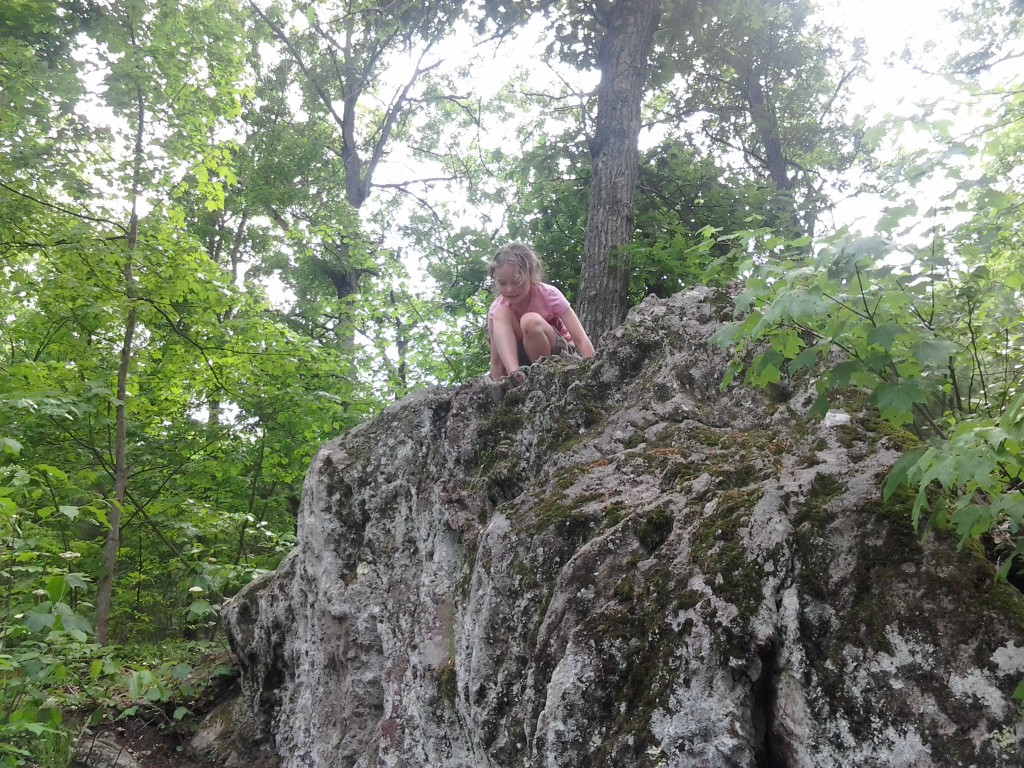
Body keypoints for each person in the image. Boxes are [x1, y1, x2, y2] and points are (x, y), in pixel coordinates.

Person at [487, 242, 595, 381]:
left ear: (531, 276)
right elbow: (496, 361)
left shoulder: (549, 294)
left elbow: (580, 339)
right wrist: (498, 393)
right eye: (502, 283)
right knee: (500, 312)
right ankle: (515, 377)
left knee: (529, 321)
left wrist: (593, 371)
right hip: (522, 363)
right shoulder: (496, 310)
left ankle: (544, 374)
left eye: (516, 282)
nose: (509, 289)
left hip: (558, 355)